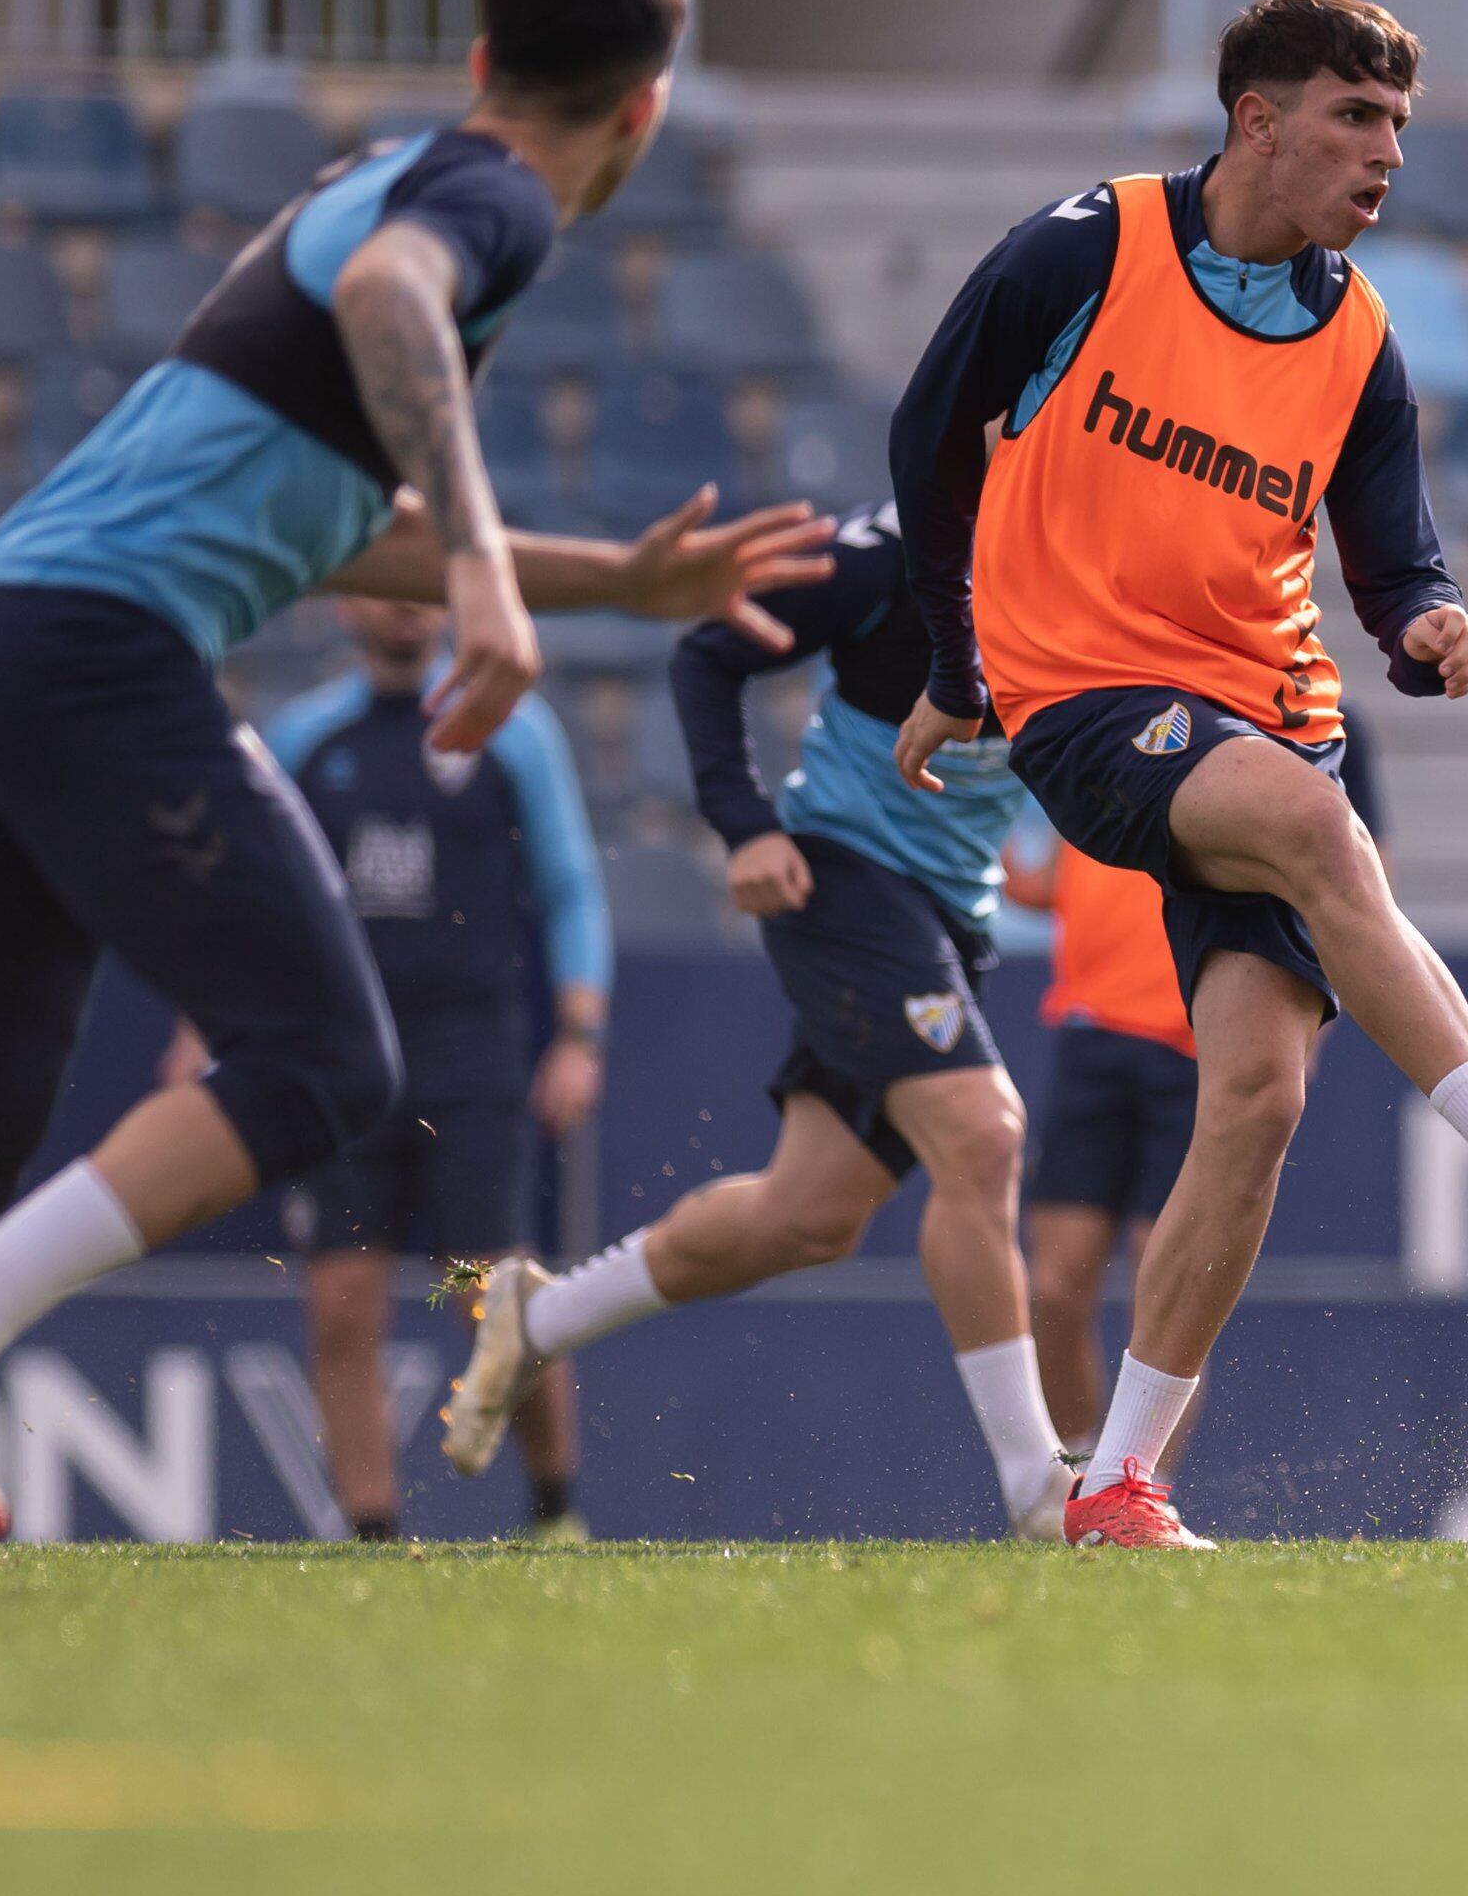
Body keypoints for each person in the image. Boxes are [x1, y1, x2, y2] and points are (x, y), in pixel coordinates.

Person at [0, 0, 835, 1537]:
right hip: (92, 644)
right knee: (327, 1057)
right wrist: (499, 572)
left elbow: (337, 525)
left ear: (485, 56)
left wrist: (605, 583)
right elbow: (389, 299)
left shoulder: (381, 168)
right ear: (641, 112)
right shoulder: (489, 200)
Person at [889, 0, 1468, 1550]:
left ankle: (1120, 1482)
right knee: (1313, 825)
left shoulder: (1356, 336)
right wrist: (957, 669)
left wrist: (1434, 629)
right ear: (1257, 120)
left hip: (1270, 704)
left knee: (1264, 1096)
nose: (1387, 153)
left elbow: (1395, 567)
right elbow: (930, 443)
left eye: (1401, 125)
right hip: (1085, 701)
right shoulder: (1082, 252)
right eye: (1356, 117)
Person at [437, 499, 1078, 1540]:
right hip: (840, 878)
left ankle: (537, 1316)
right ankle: (1036, 1489)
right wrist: (743, 826)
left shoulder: (1101, 555)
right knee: (983, 1135)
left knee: (807, 1218)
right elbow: (706, 656)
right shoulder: (889, 556)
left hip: (945, 916)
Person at [252, 595, 611, 1541]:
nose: (403, 605)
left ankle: (553, 1510)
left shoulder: (511, 732)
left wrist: (579, 1033)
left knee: (492, 1303)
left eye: (422, 584)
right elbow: (260, 898)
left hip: (471, 1059)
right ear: (342, 599)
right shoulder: (303, 738)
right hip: (344, 1064)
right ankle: (371, 1536)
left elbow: (571, 884)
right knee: (341, 1306)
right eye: (383, 582)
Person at [1011, 729, 1384, 1470]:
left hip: (1202, 1040)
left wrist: (1303, 1037)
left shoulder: (1320, 722)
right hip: (1095, 1031)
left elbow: (1360, 888)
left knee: (1167, 1283)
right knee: (1053, 1286)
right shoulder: (1107, 708)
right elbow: (1052, 881)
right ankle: (1080, 1476)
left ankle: (1140, 1482)